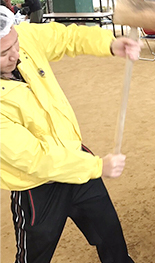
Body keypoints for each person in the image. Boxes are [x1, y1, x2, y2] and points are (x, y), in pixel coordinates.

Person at [0, 3, 142, 262]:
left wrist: (110, 44)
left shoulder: (25, 39)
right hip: (37, 187)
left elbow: (68, 37)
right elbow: (36, 158)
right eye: (3, 53)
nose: (16, 54)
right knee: (33, 257)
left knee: (112, 240)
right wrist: (98, 166)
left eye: (15, 43)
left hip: (77, 161)